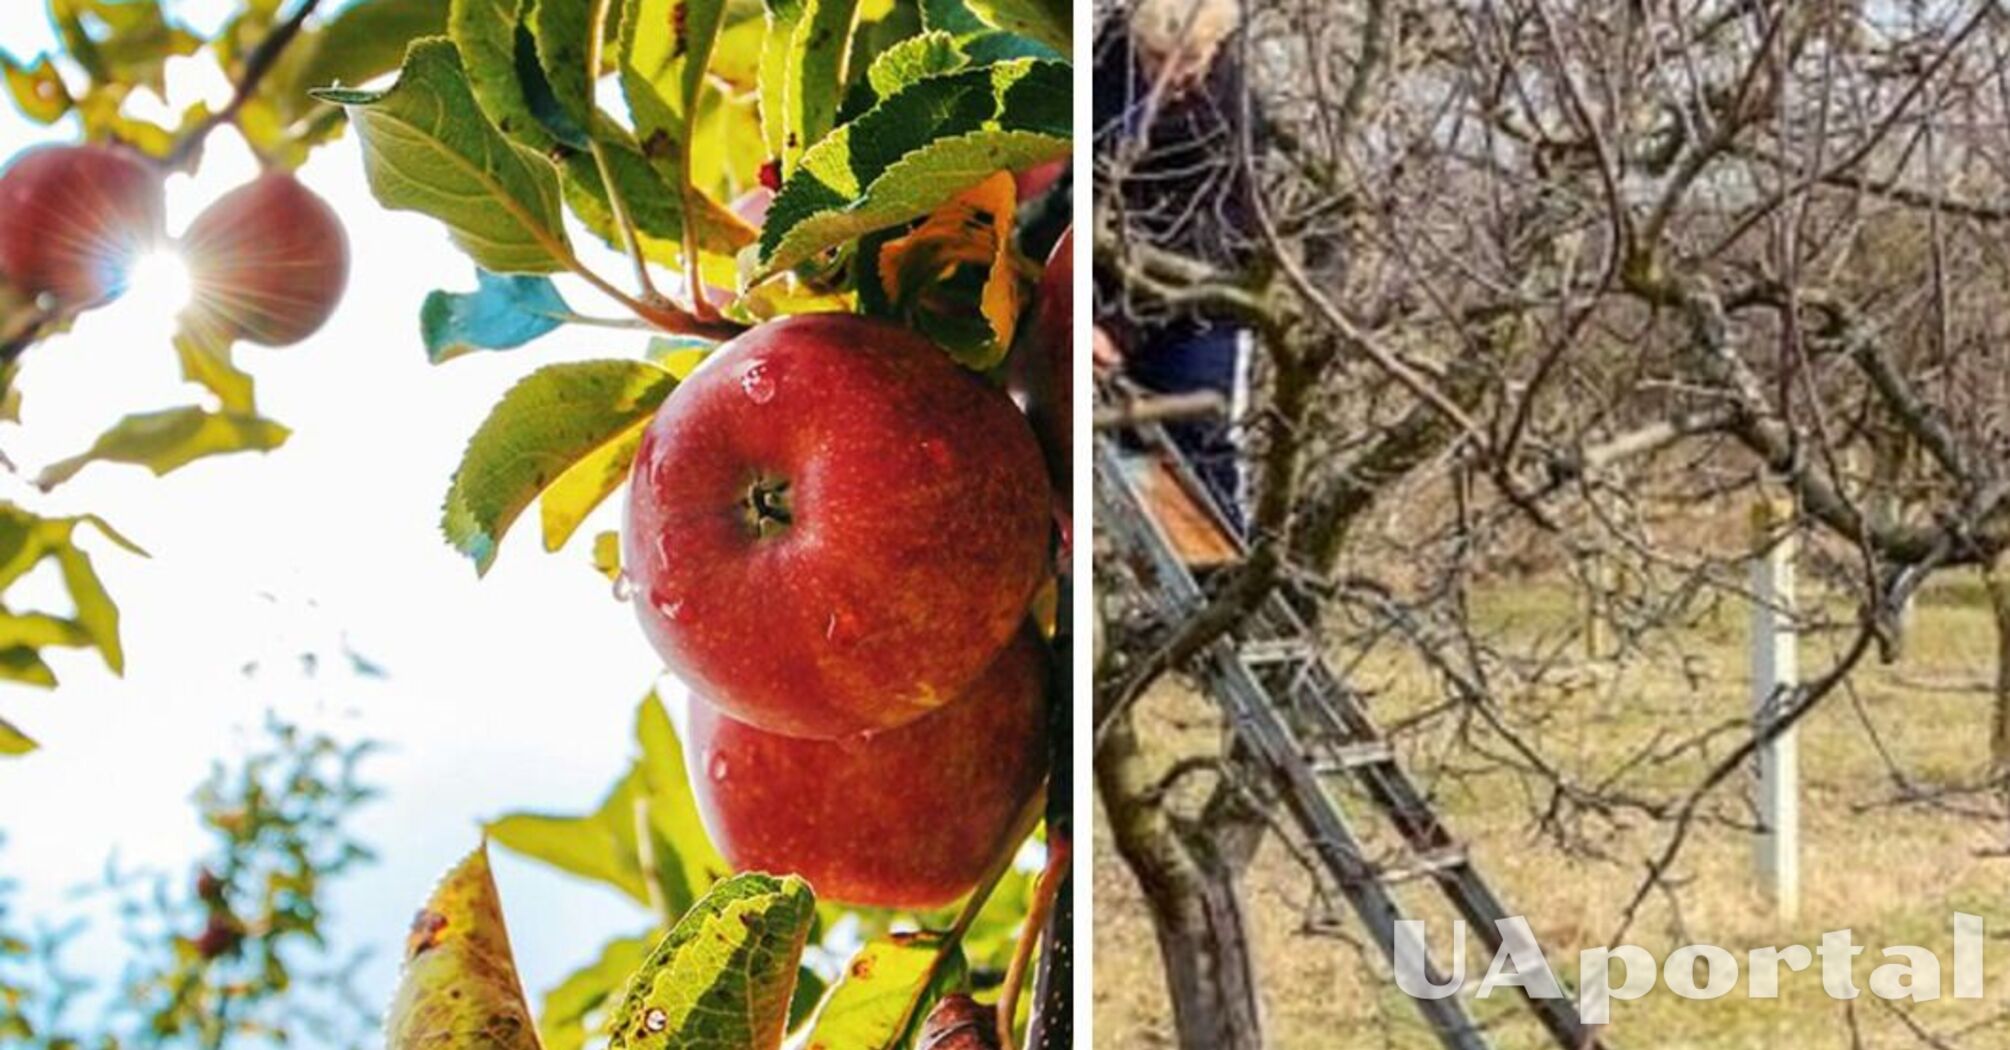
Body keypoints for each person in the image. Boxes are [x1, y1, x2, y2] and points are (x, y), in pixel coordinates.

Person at [1093, 0, 1260, 533]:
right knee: (1128, 458)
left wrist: (1117, 327)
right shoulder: (1104, 70)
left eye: (1188, 60)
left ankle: (1220, 601)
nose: (1169, 74)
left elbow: (1199, 243)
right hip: (1105, 288)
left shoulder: (1227, 114)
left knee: (1198, 457)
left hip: (1197, 309)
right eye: (1153, 56)